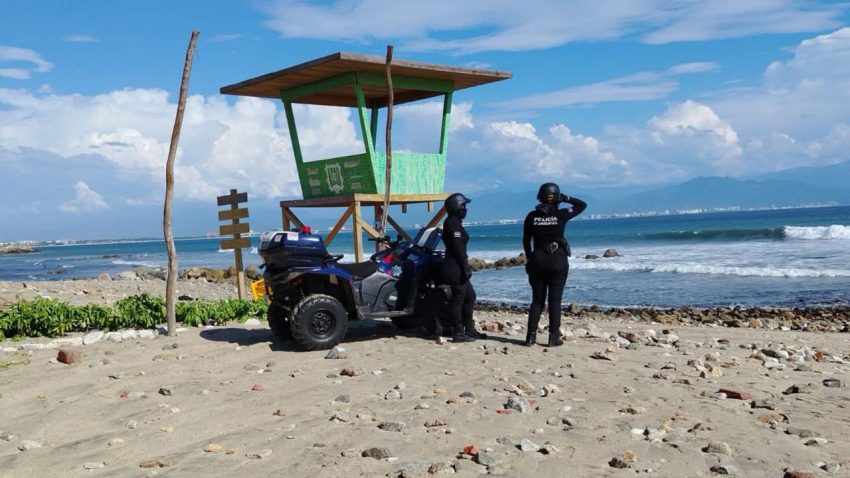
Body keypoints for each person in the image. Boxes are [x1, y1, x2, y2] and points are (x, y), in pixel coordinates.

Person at [522, 183, 587, 346]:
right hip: (557, 260)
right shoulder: (561, 214)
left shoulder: (531, 216)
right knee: (555, 301)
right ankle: (553, 337)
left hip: (537, 261)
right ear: (557, 197)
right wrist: (565, 198)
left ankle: (530, 336)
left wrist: (530, 260)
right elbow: (582, 205)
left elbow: (526, 241)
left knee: (537, 300)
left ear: (539, 196)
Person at [441, 192, 479, 343]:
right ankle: (458, 331)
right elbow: (457, 248)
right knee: (458, 298)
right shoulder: (452, 223)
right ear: (457, 207)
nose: (465, 209)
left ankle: (469, 329)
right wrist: (465, 266)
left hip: (457, 265)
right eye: (463, 206)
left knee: (470, 296)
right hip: (454, 267)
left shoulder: (455, 222)